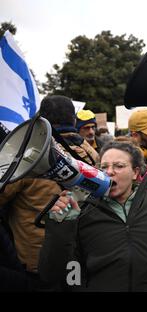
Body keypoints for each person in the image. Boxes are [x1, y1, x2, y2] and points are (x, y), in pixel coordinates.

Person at [38, 141, 147, 291]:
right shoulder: (83, 208)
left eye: (119, 166)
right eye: (104, 167)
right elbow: (52, 272)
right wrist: (60, 227)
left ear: (135, 172)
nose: (109, 172)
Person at [0, 95, 97, 291]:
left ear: (42, 119)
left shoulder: (29, 156)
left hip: (37, 260)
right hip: (80, 253)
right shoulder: (90, 152)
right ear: (74, 120)